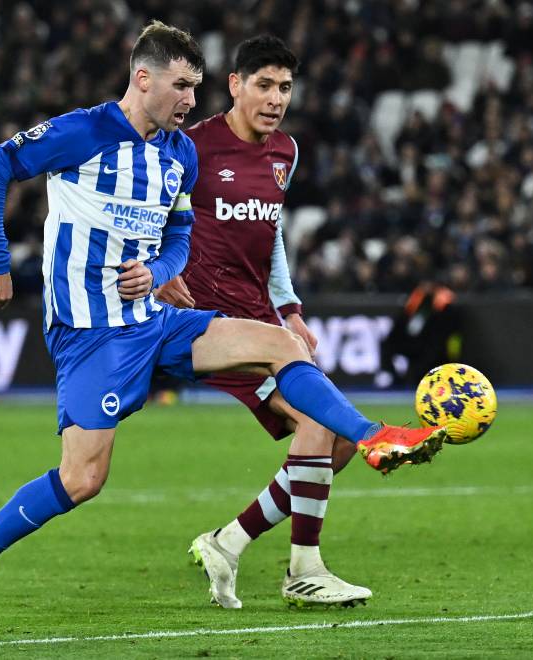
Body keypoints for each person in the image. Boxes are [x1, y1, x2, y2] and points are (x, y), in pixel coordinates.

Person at [0, 21, 447, 636]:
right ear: (142, 79)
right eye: (181, 86)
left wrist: (160, 270)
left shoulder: (180, 153)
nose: (191, 101)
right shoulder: (84, 132)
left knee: (281, 343)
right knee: (83, 479)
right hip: (92, 334)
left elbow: (178, 237)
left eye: (196, 88)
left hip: (158, 322)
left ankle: (373, 436)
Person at [154, 35, 410, 610]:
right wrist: (158, 268)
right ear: (235, 85)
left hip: (266, 318)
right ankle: (304, 569)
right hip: (210, 320)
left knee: (336, 443)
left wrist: (290, 307)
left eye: (285, 88)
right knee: (319, 424)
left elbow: (269, 241)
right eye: (264, 85)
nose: (275, 99)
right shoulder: (191, 148)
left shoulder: (284, 153)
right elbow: (149, 215)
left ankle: (230, 540)